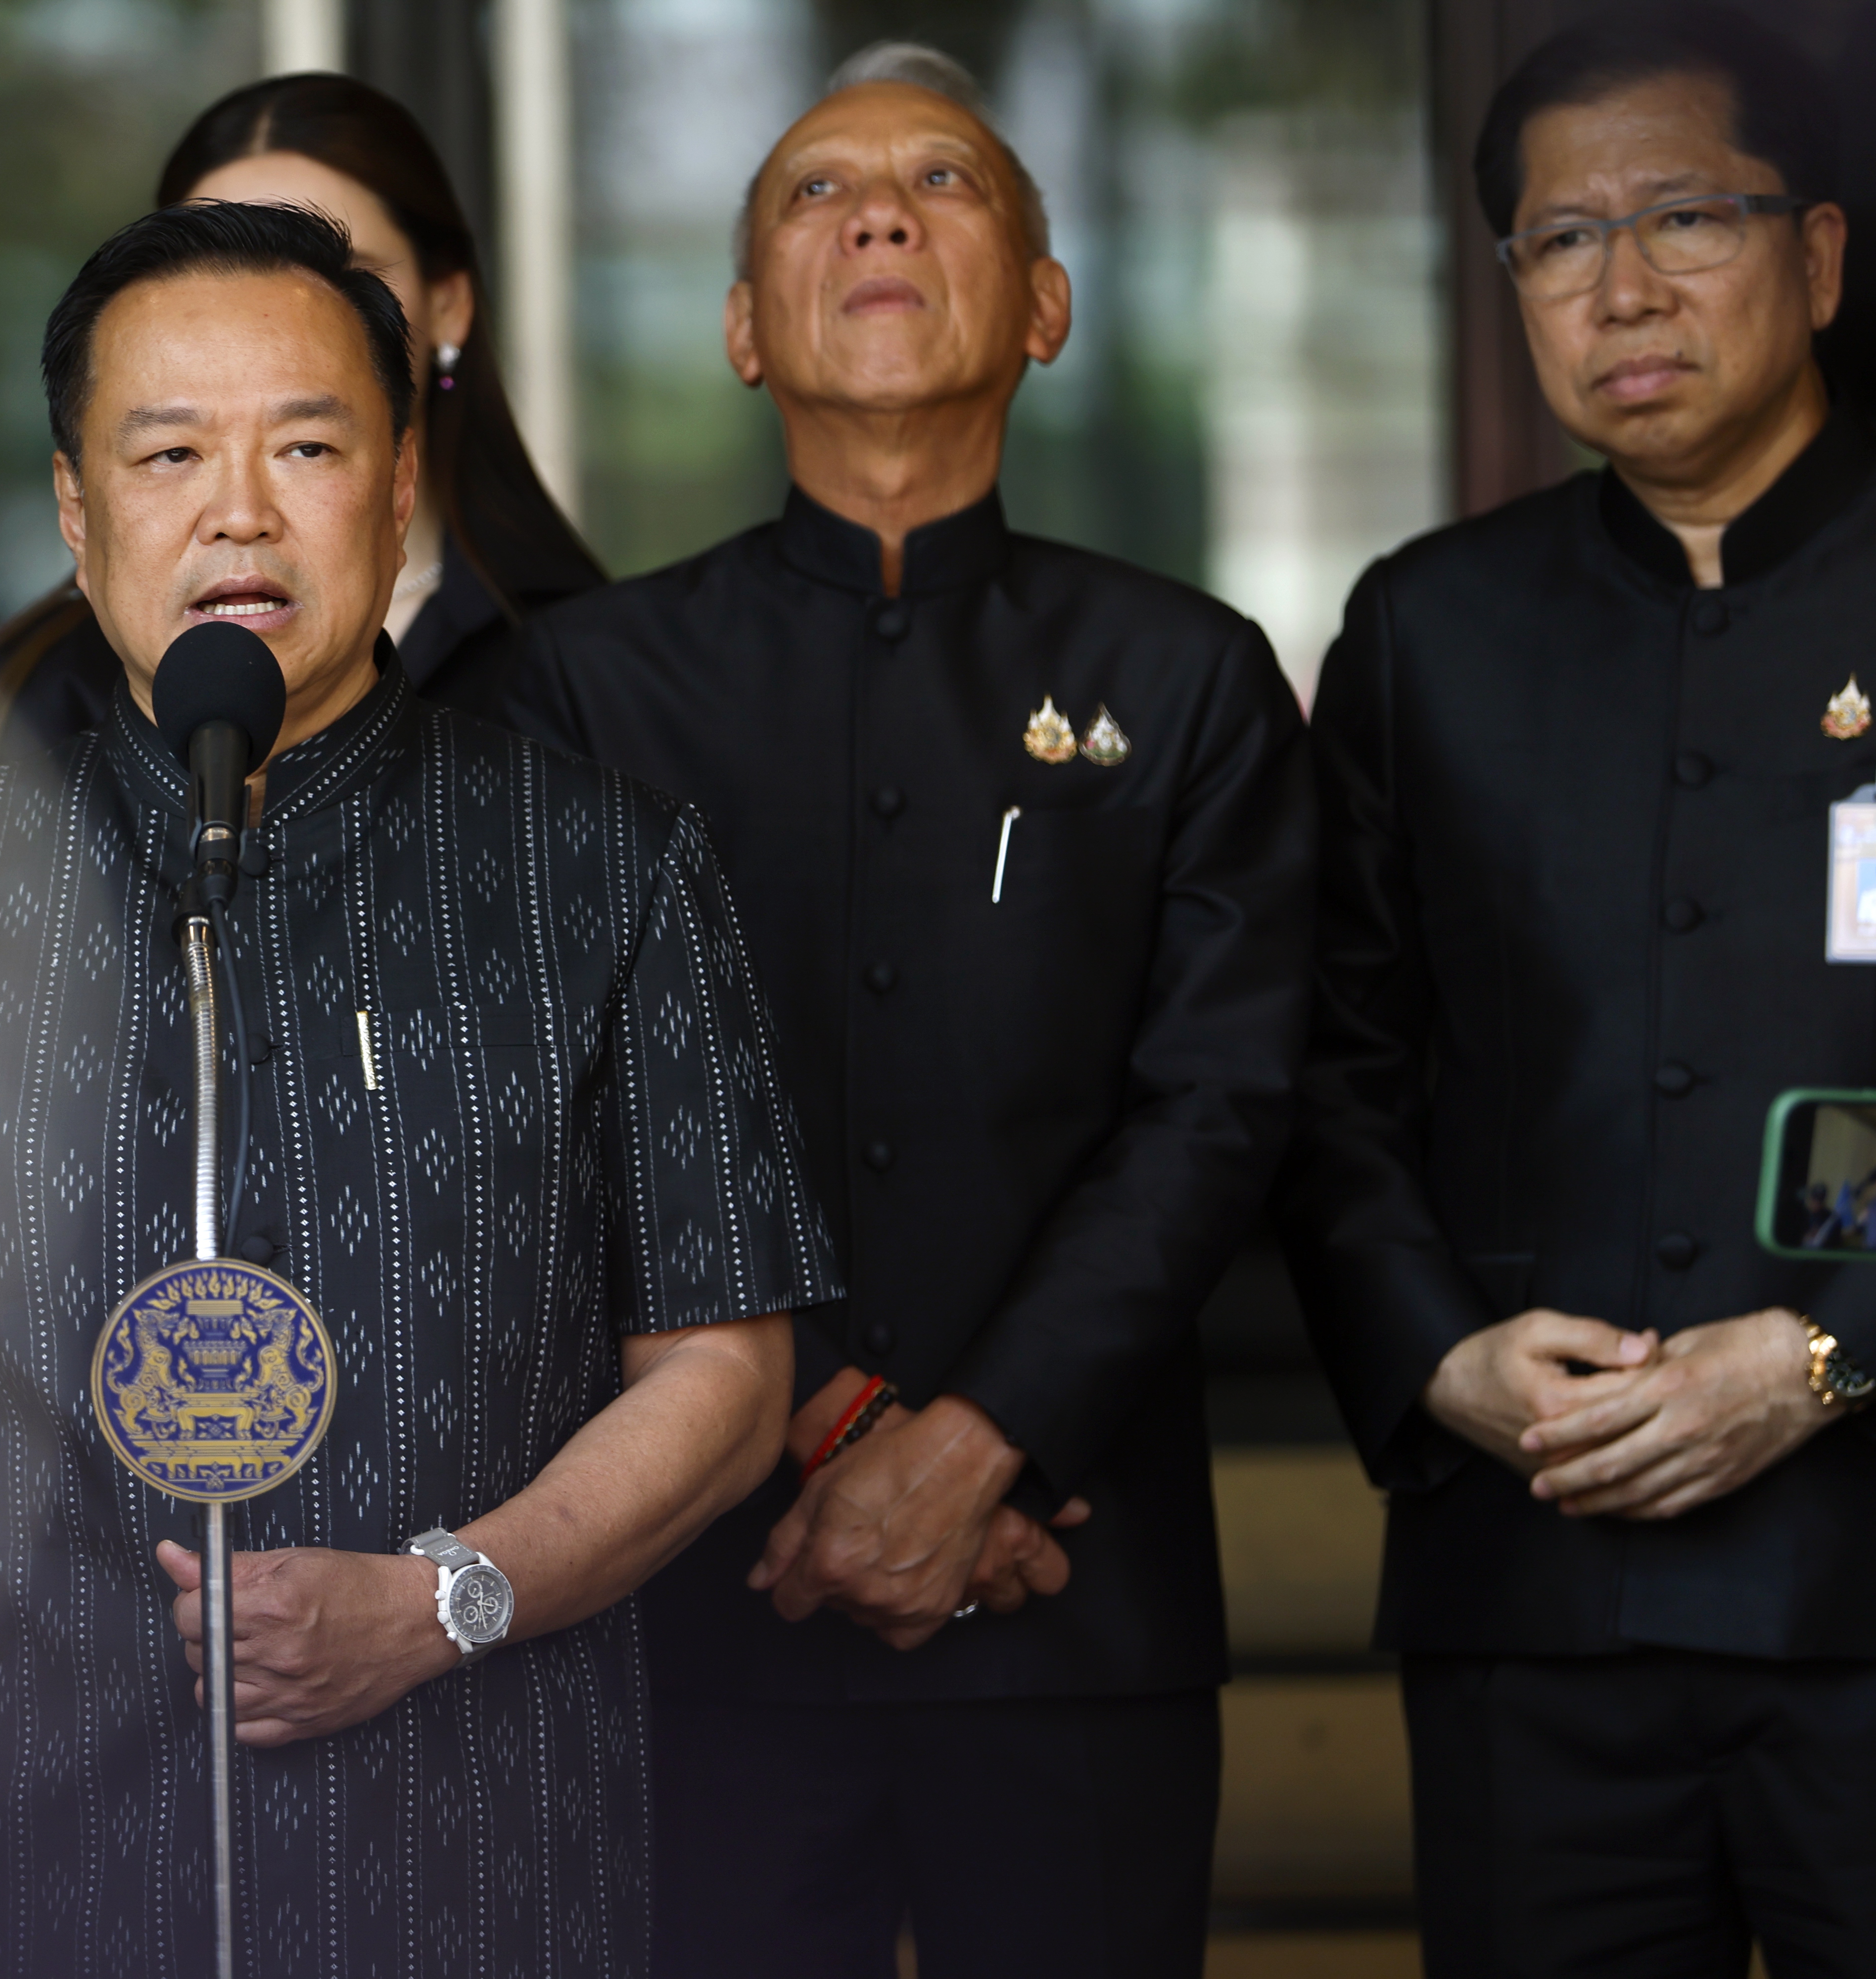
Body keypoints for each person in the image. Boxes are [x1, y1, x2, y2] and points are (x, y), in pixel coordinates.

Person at [0, 201, 832, 1979]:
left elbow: (725, 1367)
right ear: (78, 511)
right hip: (46, 1876)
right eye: (168, 453)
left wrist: (448, 1597)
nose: (238, 509)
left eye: (304, 445)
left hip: (485, 1863)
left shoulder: (602, 868)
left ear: (398, 487)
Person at [509, 43, 1314, 1979]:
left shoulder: (1185, 673)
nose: (877, 211)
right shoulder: (583, 688)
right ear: (736, 328)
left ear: (1045, 305)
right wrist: (837, 1442)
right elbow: (560, 1118)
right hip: (698, 1592)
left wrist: (976, 1454)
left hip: (1080, 1591)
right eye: (816, 191)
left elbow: (1221, 1102)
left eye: (944, 182)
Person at [1276, 7, 1876, 1971]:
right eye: (1562, 239)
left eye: (1686, 214)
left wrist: (1834, 1352)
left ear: (1821, 254)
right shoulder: (1429, 629)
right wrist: (1441, 1357)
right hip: (1535, 1589)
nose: (1625, 284)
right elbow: (1332, 1077)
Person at [0, 71, 602, 772]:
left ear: (449, 304)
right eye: (216, 261)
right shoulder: (51, 679)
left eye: (333, 269)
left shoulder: (590, 661)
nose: (264, 309)